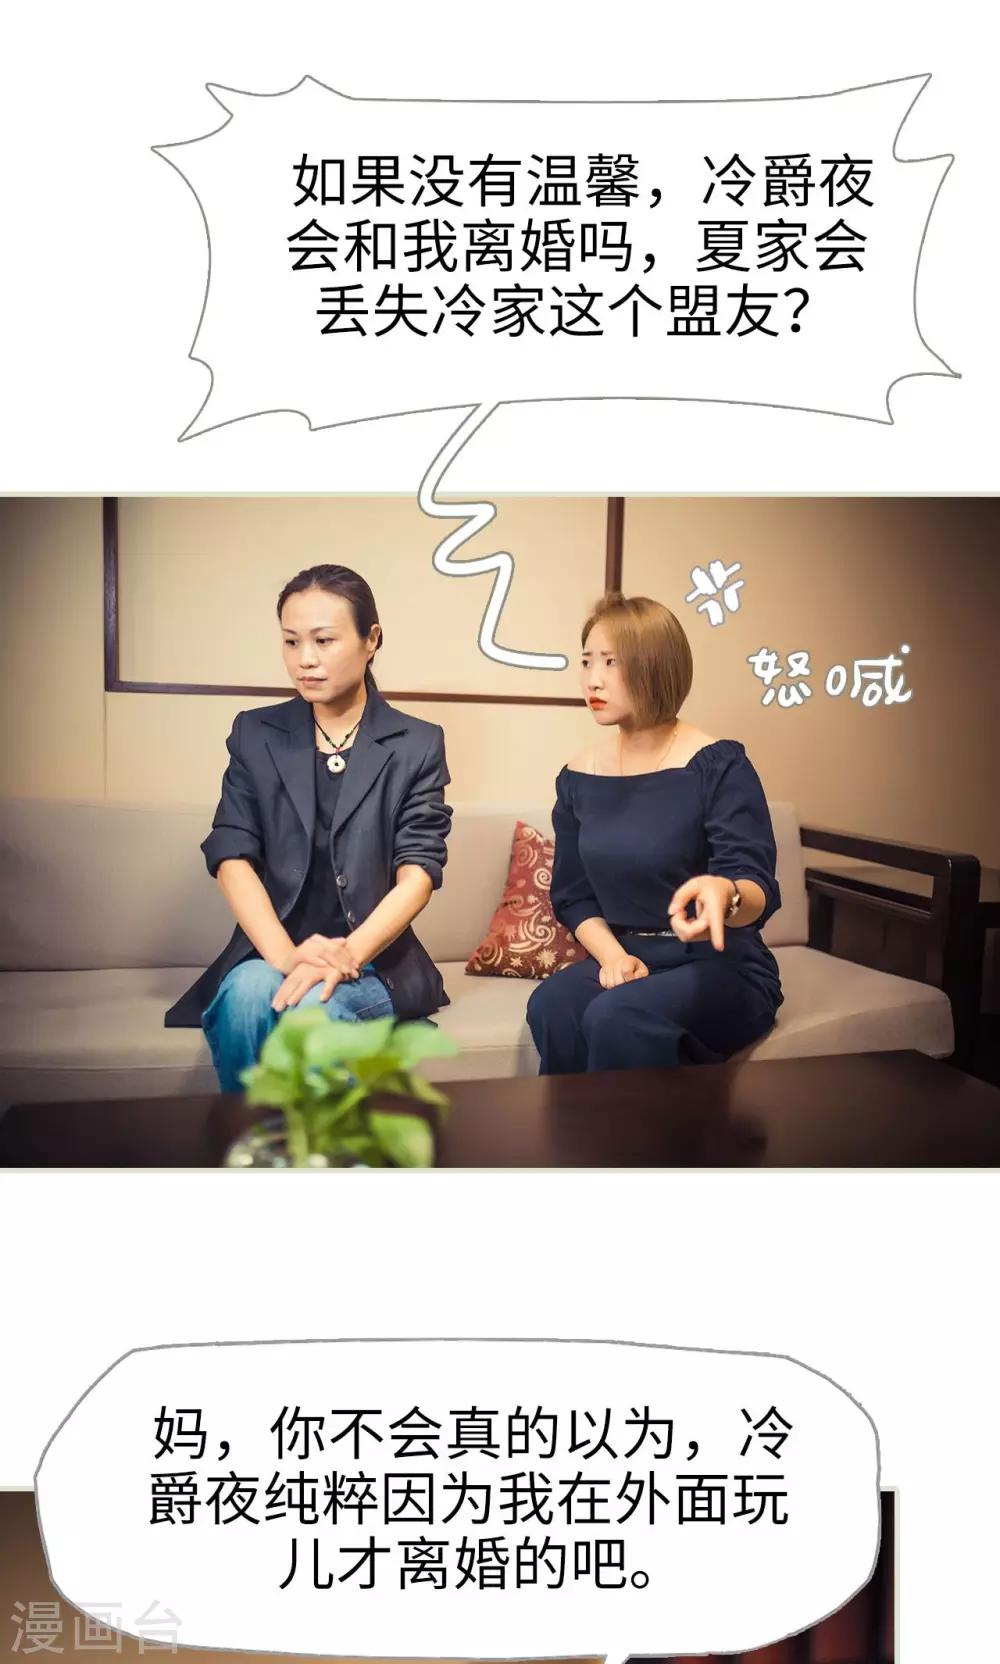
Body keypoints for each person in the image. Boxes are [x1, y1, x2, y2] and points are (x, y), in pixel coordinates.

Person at [165, 564, 452, 1091]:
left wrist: (345, 956)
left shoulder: (416, 743)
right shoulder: (255, 732)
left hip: (373, 962)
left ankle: (312, 1143)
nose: (305, 659)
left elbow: (418, 874)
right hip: (271, 951)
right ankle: (253, 1136)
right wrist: (285, 955)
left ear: (371, 640)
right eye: (291, 641)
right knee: (246, 996)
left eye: (324, 640)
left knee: (310, 1014)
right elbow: (231, 856)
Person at [526, 591, 783, 1074]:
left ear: (655, 667)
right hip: (629, 953)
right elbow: (573, 896)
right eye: (586, 661)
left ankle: (647, 1127)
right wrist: (613, 958)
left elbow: (757, 886)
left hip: (719, 963)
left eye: (611, 662)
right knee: (553, 1005)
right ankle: (573, 1127)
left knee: (617, 1018)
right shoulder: (578, 776)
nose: (592, 679)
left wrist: (726, 893)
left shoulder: (718, 764)